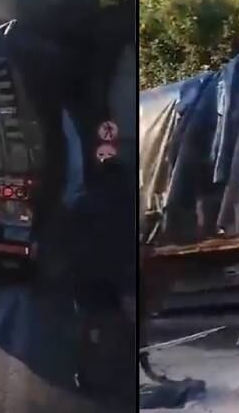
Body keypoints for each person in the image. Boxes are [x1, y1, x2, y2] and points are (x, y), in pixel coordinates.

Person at [68, 155, 136, 392]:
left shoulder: (83, 202)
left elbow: (68, 235)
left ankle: (82, 373)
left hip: (85, 276)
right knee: (120, 322)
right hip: (116, 276)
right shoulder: (128, 204)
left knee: (86, 323)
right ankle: (120, 371)